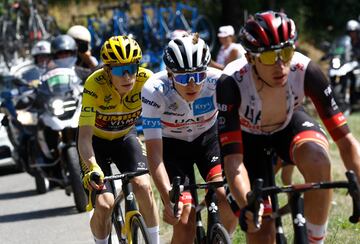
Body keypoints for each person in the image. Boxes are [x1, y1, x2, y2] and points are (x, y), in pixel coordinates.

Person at [216, 11, 360, 244]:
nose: (280, 65)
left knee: (319, 160)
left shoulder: (306, 70)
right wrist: (248, 206)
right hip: (248, 141)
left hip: (288, 125)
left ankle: (315, 239)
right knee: (261, 230)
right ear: (251, 58)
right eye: (269, 57)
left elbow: (345, 141)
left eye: (286, 53)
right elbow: (234, 162)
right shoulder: (231, 82)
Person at [141, 32, 237, 244]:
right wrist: (169, 200)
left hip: (208, 140)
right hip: (172, 148)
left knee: (227, 199)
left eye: (198, 75)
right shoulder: (153, 90)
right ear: (169, 74)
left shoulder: (218, 81)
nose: (192, 84)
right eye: (183, 78)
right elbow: (155, 155)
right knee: (185, 220)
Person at [77, 35, 160, 244]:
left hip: (125, 138)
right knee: (105, 204)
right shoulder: (94, 84)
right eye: (117, 70)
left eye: (131, 68)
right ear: (107, 71)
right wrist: (93, 167)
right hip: (96, 145)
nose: (126, 76)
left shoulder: (147, 80)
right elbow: (84, 138)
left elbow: (164, 122)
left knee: (143, 185)